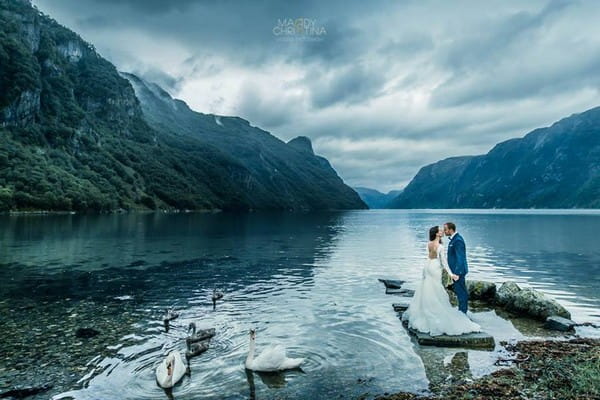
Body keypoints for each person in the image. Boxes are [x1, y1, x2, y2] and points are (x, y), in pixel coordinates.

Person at [402, 225, 480, 336]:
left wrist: (423, 273)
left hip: (428, 267)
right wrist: (451, 274)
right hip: (436, 268)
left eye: (444, 229)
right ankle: (437, 313)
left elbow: (428, 258)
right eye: (440, 231)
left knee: (428, 288)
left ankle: (425, 312)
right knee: (436, 288)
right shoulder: (440, 246)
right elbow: (443, 262)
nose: (442, 231)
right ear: (437, 234)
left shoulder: (428, 244)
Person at [444, 222, 469, 314]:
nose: (444, 231)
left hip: (458, 272)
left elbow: (460, 257)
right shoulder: (454, 239)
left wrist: (457, 273)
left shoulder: (458, 240)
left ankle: (463, 312)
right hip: (455, 271)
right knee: (459, 291)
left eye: (445, 229)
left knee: (461, 292)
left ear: (451, 230)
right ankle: (461, 310)